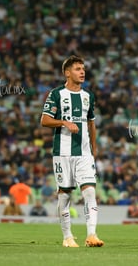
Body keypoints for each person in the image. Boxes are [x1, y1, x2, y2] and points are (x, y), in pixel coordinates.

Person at [41, 55, 103, 248]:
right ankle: (67, 237)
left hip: (84, 153)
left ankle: (92, 235)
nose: (82, 71)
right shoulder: (56, 94)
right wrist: (64, 122)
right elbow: (44, 120)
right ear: (67, 73)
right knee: (65, 194)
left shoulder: (88, 96)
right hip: (63, 152)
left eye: (83, 68)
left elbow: (91, 123)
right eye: (77, 69)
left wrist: (94, 148)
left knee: (90, 191)